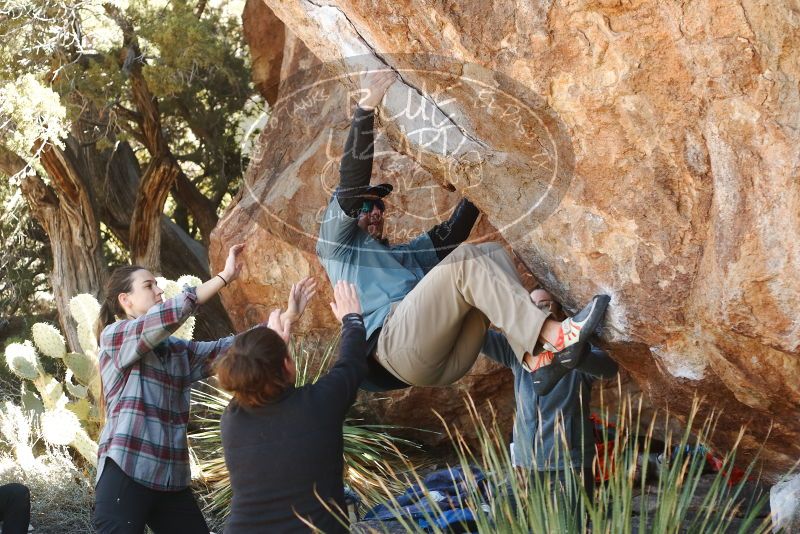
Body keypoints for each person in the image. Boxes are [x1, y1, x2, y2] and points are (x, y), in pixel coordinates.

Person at [316, 70, 610, 393]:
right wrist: (366, 108)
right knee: (466, 262)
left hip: (441, 356)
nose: (374, 213)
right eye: (364, 207)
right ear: (345, 214)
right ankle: (556, 337)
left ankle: (537, 358)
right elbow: (350, 185)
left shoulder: (398, 259)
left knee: (489, 254)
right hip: (396, 347)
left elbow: (448, 237)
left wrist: (482, 180)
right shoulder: (336, 248)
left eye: (379, 207)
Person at [93, 244, 303, 533]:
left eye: (158, 285)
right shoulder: (115, 336)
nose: (158, 291)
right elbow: (170, 314)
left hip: (170, 478)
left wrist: (283, 320)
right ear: (125, 300)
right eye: (149, 285)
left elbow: (225, 350)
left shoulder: (177, 351)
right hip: (127, 471)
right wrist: (224, 276)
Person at [216, 280, 365, 533]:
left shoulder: (232, 420)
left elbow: (252, 375)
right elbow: (351, 364)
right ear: (287, 365)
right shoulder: (319, 404)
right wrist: (352, 319)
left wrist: (277, 338)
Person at [482, 288, 618, 524]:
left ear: (560, 310)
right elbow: (478, 337)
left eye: (545, 304)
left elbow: (608, 367)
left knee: (566, 526)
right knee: (508, 522)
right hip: (525, 463)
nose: (539, 310)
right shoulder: (518, 352)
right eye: (532, 305)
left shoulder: (578, 352)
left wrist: (576, 357)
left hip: (567, 466)